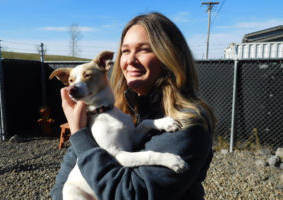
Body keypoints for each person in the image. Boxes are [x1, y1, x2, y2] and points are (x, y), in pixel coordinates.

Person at [51, 12, 216, 200]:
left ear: (169, 55)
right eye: (125, 51)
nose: (130, 60)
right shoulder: (128, 109)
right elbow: (63, 183)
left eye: (144, 49)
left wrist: (80, 134)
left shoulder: (187, 122)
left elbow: (129, 194)